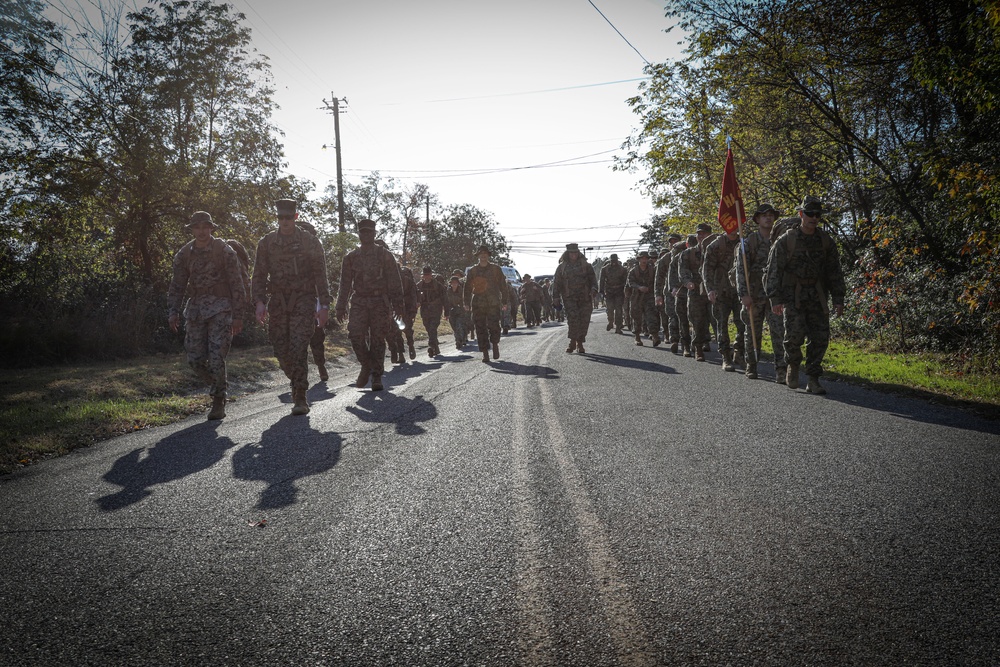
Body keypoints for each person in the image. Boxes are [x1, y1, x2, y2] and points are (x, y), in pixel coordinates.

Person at [251, 200, 331, 415]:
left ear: (295, 217)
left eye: (288, 217)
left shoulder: (309, 241)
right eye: (281, 218)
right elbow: (258, 275)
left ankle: (300, 396)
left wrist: (324, 305)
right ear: (277, 218)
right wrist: (259, 302)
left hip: (303, 299)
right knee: (280, 348)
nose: (284, 221)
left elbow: (320, 275)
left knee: (298, 347)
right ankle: (295, 378)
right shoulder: (267, 242)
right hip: (277, 300)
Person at [167, 211, 246, 420]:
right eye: (197, 227)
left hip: (221, 308)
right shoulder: (185, 254)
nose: (201, 231)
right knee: (194, 359)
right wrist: (173, 311)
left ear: (211, 228)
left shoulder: (224, 251)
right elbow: (177, 285)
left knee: (216, 356)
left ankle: (218, 400)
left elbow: (237, 284)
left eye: (205, 227)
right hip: (196, 310)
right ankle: (218, 384)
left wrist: (239, 314)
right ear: (192, 230)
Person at [765, 196, 846, 394]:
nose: (814, 218)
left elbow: (834, 271)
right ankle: (792, 365)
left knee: (820, 338)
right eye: (810, 214)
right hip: (793, 296)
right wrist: (775, 299)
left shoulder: (826, 242)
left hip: (818, 296)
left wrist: (838, 298)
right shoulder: (787, 240)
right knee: (793, 336)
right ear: (801, 214)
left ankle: (813, 378)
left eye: (818, 214)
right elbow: (773, 270)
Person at [335, 219, 404, 391]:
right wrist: (340, 306)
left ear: (374, 234)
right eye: (363, 232)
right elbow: (344, 284)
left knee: (378, 339)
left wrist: (398, 306)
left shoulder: (385, 255)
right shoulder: (351, 258)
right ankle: (366, 364)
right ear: (359, 234)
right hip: (359, 301)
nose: (366, 235)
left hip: (380, 301)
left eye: (369, 232)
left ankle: (377, 376)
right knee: (355, 335)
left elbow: (395, 282)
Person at [736, 203, 785, 381]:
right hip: (754, 294)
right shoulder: (749, 242)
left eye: (771, 215)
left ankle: (781, 369)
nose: (768, 217)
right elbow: (741, 270)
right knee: (752, 332)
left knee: (778, 332)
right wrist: (744, 294)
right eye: (764, 215)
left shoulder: (780, 240)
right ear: (757, 219)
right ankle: (752, 365)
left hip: (774, 296)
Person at [703, 226, 746, 372]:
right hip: (720, 291)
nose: (734, 228)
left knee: (743, 324)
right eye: (731, 224)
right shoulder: (715, 245)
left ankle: (739, 351)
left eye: (736, 225)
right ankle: (726, 357)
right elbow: (707, 269)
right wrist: (710, 290)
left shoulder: (744, 242)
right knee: (722, 325)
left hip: (741, 291)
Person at [295, 221, 331, 381]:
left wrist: (323, 303)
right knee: (295, 338)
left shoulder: (315, 250)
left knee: (316, 337)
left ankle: (321, 366)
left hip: (312, 298)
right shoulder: (288, 251)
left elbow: (321, 278)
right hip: (292, 300)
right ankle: (297, 374)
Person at [463, 245, 509, 362]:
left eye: (485, 254)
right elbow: (467, 287)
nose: (483, 256)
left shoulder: (495, 269)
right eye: (481, 254)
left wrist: (504, 301)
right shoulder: (473, 271)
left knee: (494, 326)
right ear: (478, 256)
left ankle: (494, 345)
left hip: (493, 302)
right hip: (478, 303)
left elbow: (503, 286)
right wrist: (466, 302)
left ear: (488, 256)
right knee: (480, 328)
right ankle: (484, 353)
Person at [552, 242, 598, 353]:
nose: (573, 255)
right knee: (573, 320)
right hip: (569, 298)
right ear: (567, 254)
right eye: (571, 253)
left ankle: (579, 341)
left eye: (575, 253)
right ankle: (575, 342)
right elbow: (556, 283)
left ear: (578, 253)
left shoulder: (586, 265)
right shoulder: (562, 267)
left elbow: (593, 280)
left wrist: (593, 290)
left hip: (585, 298)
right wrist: (555, 297)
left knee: (584, 320)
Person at [679, 227, 712, 361]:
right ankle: (698, 348)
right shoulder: (688, 254)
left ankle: (727, 352)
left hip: (714, 289)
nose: (701, 236)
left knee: (716, 321)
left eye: (704, 233)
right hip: (696, 291)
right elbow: (683, 270)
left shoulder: (716, 249)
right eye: (699, 234)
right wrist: (688, 282)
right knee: (697, 321)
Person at [655, 233, 683, 351]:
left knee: (686, 316)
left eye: (675, 241)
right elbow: (659, 278)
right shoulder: (665, 259)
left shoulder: (687, 254)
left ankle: (692, 341)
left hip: (685, 290)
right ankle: (674, 340)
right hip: (669, 292)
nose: (673, 243)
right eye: (671, 242)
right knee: (672, 315)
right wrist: (658, 294)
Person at [627, 250, 658, 346]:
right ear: (639, 259)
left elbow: (657, 281)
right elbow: (630, 282)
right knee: (636, 317)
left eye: (646, 258)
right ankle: (637, 337)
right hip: (637, 297)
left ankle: (654, 336)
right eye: (642, 258)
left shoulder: (653, 270)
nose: (644, 260)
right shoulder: (633, 271)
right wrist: (639, 287)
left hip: (649, 296)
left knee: (651, 316)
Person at [416, 266, 446, 356]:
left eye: (428, 275)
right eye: (425, 275)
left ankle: (431, 346)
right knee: (428, 328)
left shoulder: (438, 285)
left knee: (433, 328)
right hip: (425, 311)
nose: (426, 276)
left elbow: (445, 298)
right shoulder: (419, 286)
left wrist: (447, 312)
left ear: (431, 275)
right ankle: (435, 347)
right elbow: (414, 297)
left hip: (436, 310)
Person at [599, 253, 628, 334]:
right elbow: (601, 280)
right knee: (610, 308)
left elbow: (625, 281)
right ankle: (610, 321)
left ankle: (618, 327)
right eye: (612, 261)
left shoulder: (622, 269)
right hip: (609, 292)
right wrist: (601, 290)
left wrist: (625, 290)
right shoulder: (605, 269)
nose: (614, 262)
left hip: (619, 291)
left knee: (619, 310)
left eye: (615, 260)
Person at [446, 275, 468, 348]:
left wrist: (464, 307)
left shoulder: (462, 291)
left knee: (459, 325)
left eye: (455, 283)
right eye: (452, 283)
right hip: (451, 311)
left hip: (460, 311)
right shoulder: (448, 291)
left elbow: (464, 300)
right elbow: (446, 301)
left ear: (458, 283)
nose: (454, 284)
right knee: (454, 327)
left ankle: (459, 340)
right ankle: (459, 339)